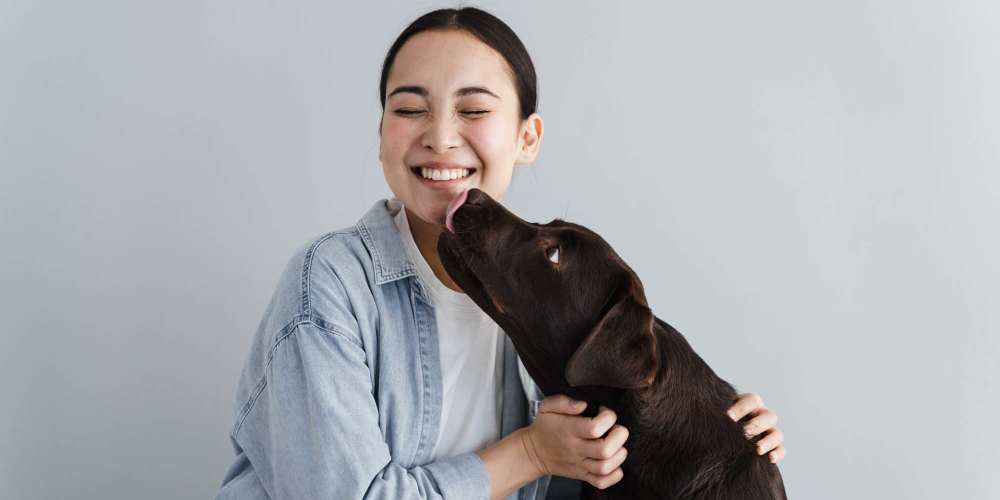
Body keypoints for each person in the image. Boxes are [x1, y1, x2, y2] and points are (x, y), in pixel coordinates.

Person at [214, 7, 786, 500]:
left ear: (527, 137)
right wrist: (531, 455)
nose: (439, 136)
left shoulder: (561, 302)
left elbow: (616, 454)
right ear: (381, 131)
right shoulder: (330, 285)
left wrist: (724, 432)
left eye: (473, 109)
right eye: (409, 108)